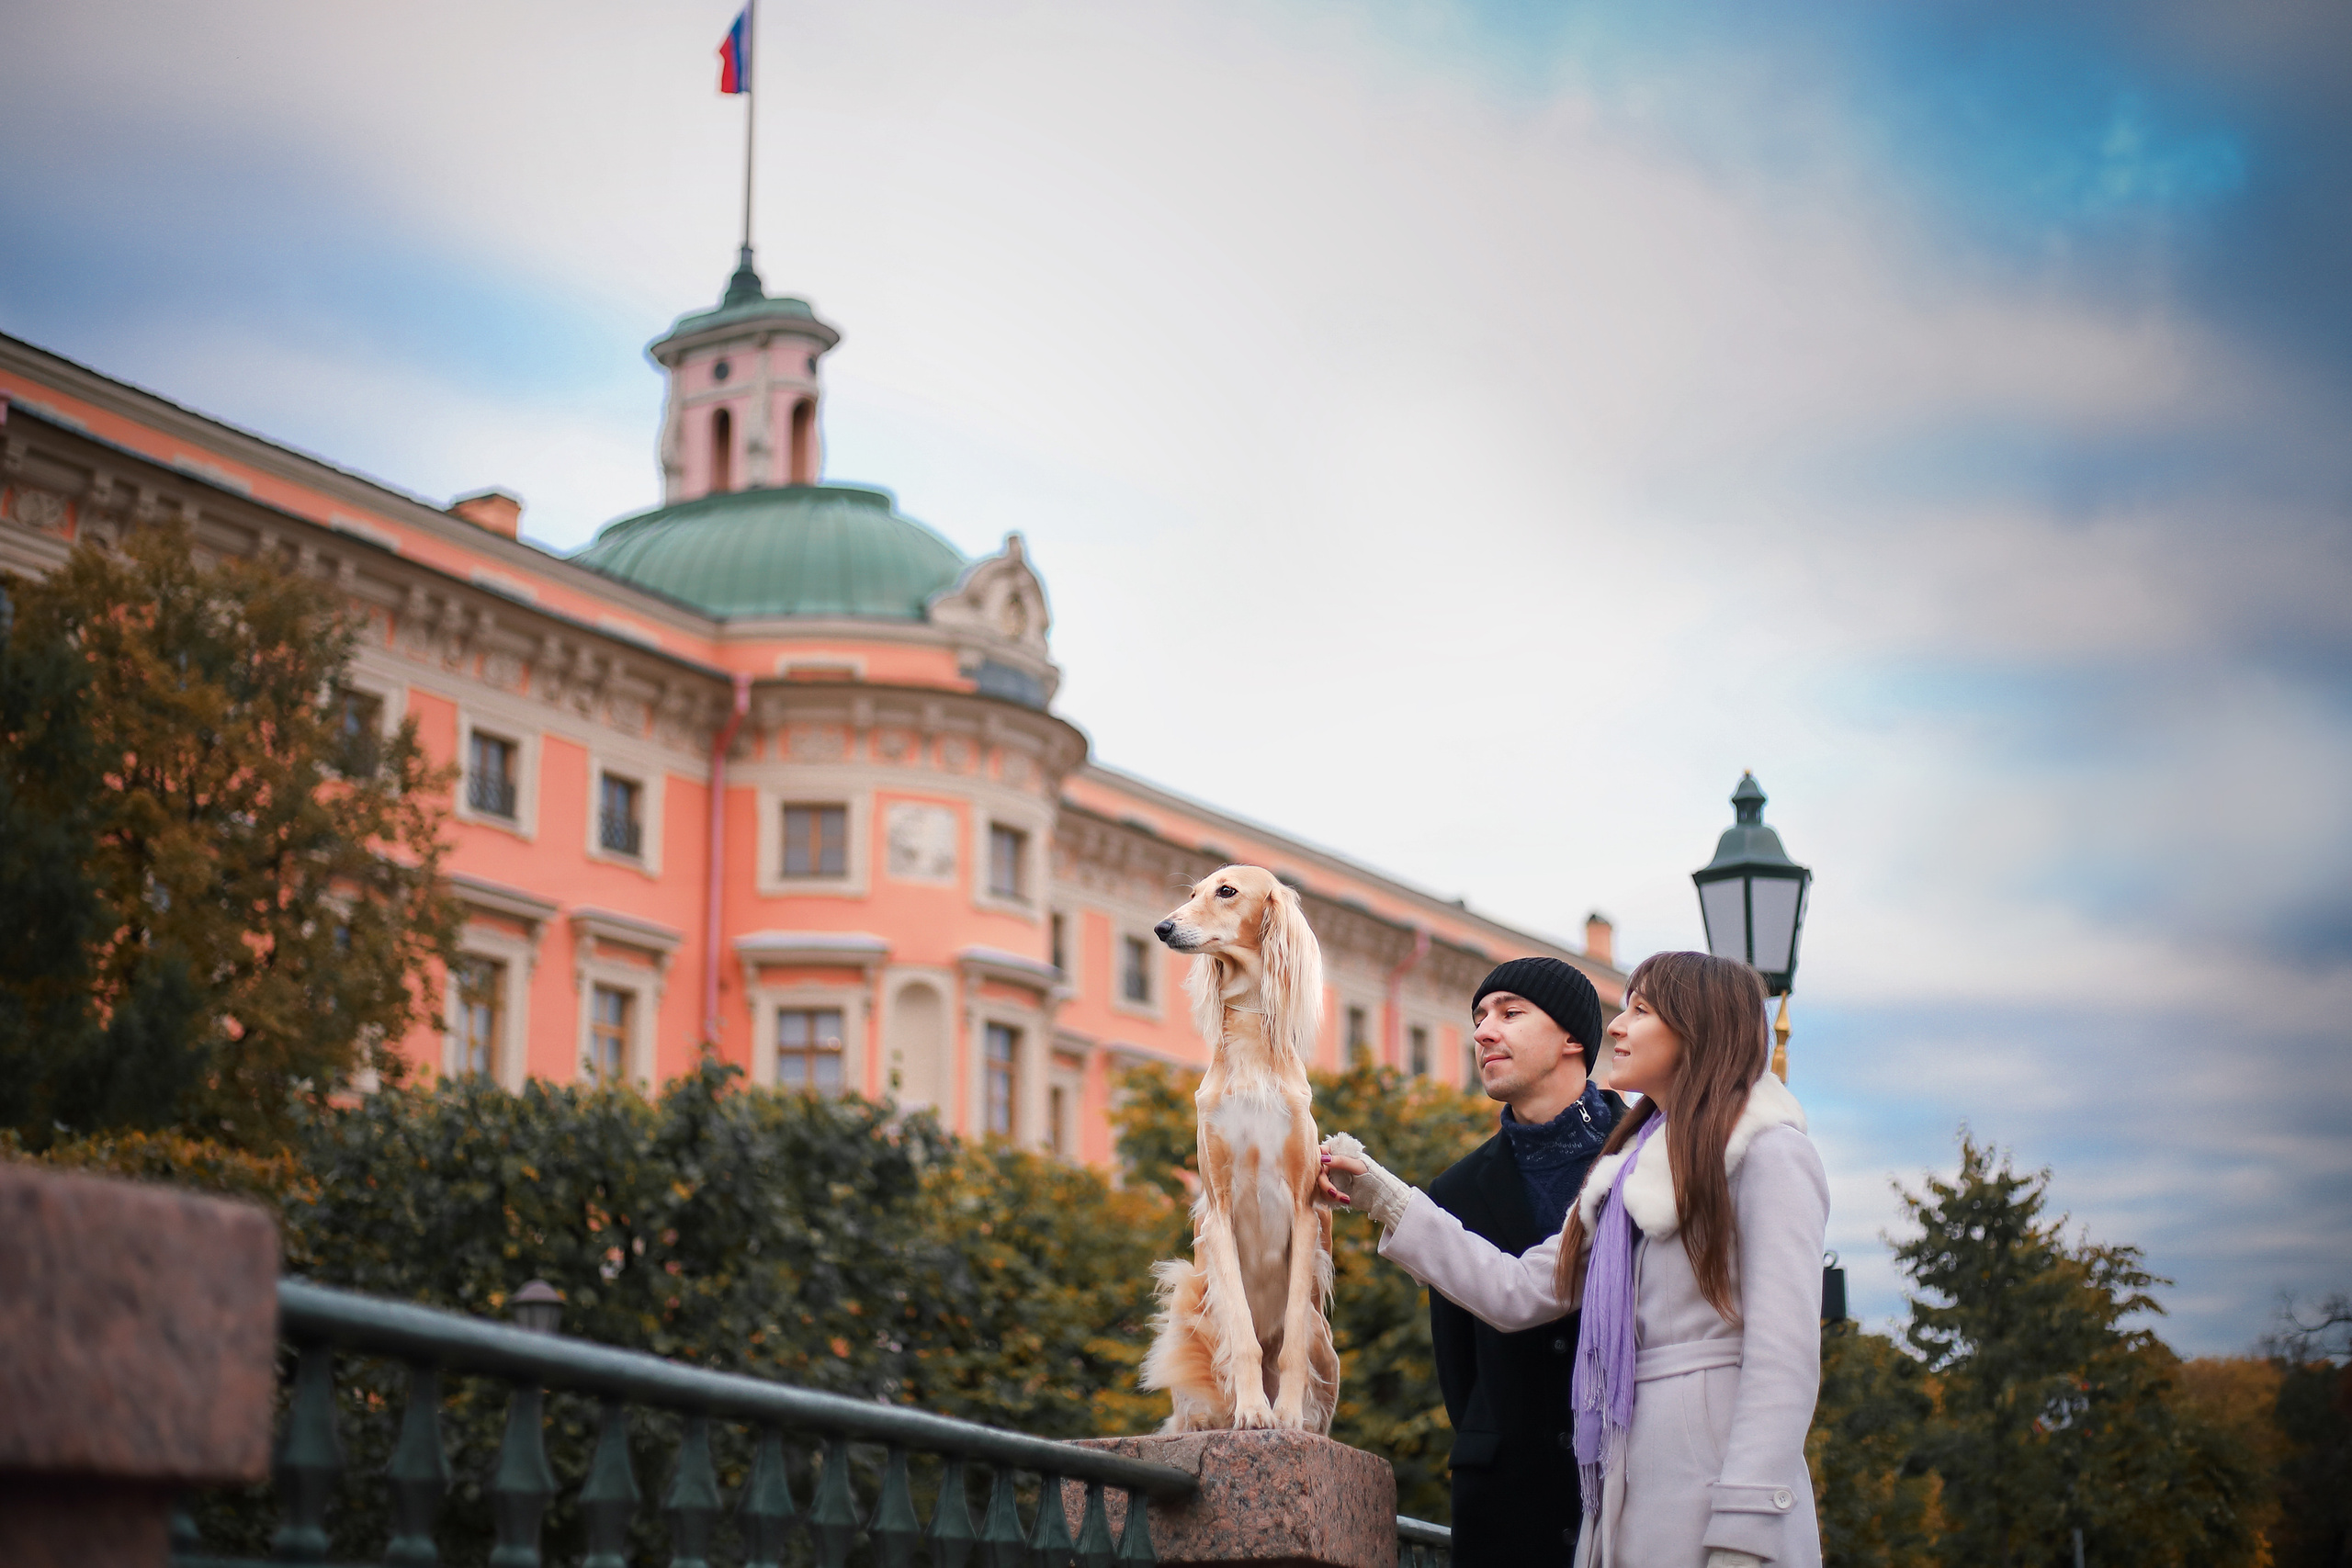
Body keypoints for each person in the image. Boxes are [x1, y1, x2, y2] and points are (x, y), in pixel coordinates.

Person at [1323, 952, 1827, 1568]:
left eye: (1640, 1010)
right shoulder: (1625, 1170)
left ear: (1699, 1026)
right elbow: (1515, 1290)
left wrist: (1747, 1528)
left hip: (1717, 1500)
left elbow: (1784, 1360)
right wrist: (1379, 1191)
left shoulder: (1770, 1153)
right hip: (1626, 1496)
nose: (1616, 1027)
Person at [1425, 957, 1624, 1567]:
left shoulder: (1648, 1155)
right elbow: (1460, 1367)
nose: (1484, 1031)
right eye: (1480, 1017)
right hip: (1505, 1512)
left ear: (1573, 1038)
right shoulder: (1452, 1193)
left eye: (1510, 1012)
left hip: (1634, 1485)